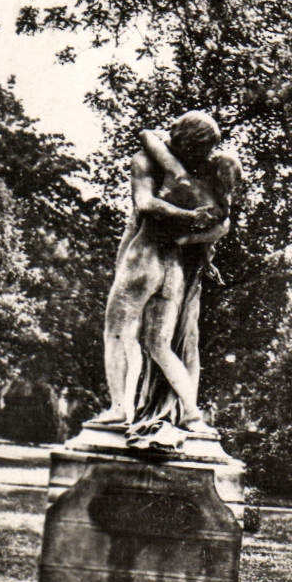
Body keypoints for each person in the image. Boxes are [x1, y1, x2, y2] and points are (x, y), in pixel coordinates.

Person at [96, 111, 240, 449]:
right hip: (173, 264)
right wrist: (193, 224)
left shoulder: (147, 161)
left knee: (116, 332)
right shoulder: (203, 181)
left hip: (143, 258)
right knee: (159, 344)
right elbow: (220, 223)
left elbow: (145, 204)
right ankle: (191, 414)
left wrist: (185, 216)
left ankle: (119, 410)